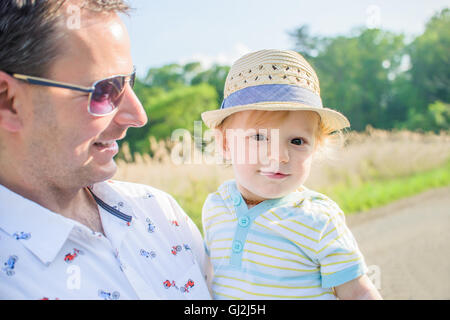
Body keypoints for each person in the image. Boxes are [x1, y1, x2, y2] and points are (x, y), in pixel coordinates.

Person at [0, 0, 211, 300]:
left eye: (129, 81)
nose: (138, 116)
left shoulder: (160, 212)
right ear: (9, 101)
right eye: (104, 90)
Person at [200, 49, 382, 300]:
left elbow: (358, 292)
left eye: (297, 141)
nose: (279, 156)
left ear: (315, 147)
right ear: (226, 145)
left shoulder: (319, 219)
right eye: (260, 137)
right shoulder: (215, 208)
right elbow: (209, 279)